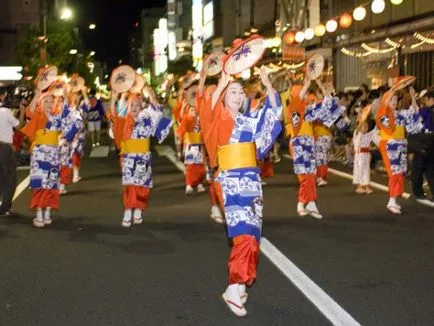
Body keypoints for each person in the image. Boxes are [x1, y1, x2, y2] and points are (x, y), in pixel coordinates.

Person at [200, 67, 282, 317]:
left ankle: (240, 282)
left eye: (240, 92)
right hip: (230, 181)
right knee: (243, 235)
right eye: (231, 91)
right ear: (223, 96)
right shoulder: (217, 118)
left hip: (251, 182)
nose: (236, 95)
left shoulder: (248, 121)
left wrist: (268, 84)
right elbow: (207, 107)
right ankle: (234, 286)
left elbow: (273, 116)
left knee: (253, 236)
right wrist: (222, 79)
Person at [110, 91, 172, 227]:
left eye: (137, 105)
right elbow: (113, 117)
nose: (134, 108)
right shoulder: (124, 121)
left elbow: (158, 112)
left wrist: (151, 96)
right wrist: (113, 98)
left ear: (141, 107)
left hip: (143, 158)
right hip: (128, 158)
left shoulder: (147, 118)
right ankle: (127, 212)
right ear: (128, 106)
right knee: (130, 186)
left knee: (142, 186)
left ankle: (138, 210)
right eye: (132, 105)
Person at [21, 87, 82, 227]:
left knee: (51, 183)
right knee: (40, 184)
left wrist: (66, 138)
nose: (49, 104)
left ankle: (47, 213)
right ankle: (39, 215)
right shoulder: (38, 115)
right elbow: (29, 111)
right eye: (46, 101)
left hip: (54, 154)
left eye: (51, 101)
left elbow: (74, 122)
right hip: (40, 154)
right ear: (41, 104)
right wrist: (37, 94)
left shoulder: (56, 118)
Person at [286, 77, 345, 219]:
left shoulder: (308, 111)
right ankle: (304, 203)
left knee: (311, 175)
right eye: (303, 93)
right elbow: (297, 102)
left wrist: (319, 84)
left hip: (309, 144)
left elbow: (328, 104)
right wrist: (306, 85)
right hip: (299, 145)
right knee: (305, 176)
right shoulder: (292, 109)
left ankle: (308, 203)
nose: (306, 96)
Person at [376, 86, 423, 214]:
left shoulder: (400, 113)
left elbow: (413, 112)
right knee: (395, 173)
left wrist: (413, 97)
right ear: (386, 101)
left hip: (400, 144)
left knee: (401, 172)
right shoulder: (383, 114)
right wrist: (389, 113)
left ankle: (394, 199)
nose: (394, 102)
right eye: (391, 99)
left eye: (396, 99)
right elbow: (389, 128)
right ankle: (391, 201)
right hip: (390, 145)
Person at [0, 88, 25, 216]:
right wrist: (22, 111)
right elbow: (19, 126)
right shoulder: (5, 111)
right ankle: (5, 208)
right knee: (10, 179)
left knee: (2, 178)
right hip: (4, 148)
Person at [176, 105, 206, 194]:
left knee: (200, 166)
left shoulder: (200, 120)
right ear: (188, 111)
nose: (194, 111)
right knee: (190, 166)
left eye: (195, 109)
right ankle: (188, 184)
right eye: (191, 110)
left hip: (200, 145)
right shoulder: (186, 119)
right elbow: (181, 129)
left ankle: (200, 184)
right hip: (190, 146)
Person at [410, 90, 434, 200]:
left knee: (417, 168)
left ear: (431, 99)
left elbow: (414, 115)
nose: (424, 101)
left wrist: (413, 98)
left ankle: (418, 193)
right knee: (431, 170)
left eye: (426, 99)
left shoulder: (426, 111)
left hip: (423, 142)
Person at [353, 121, 379, 194]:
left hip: (366, 155)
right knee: (360, 170)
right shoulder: (357, 133)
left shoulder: (369, 135)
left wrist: (378, 121)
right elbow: (357, 130)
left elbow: (375, 131)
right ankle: (360, 186)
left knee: (366, 171)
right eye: (363, 126)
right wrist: (361, 122)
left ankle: (366, 186)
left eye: (366, 126)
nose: (365, 128)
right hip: (359, 155)